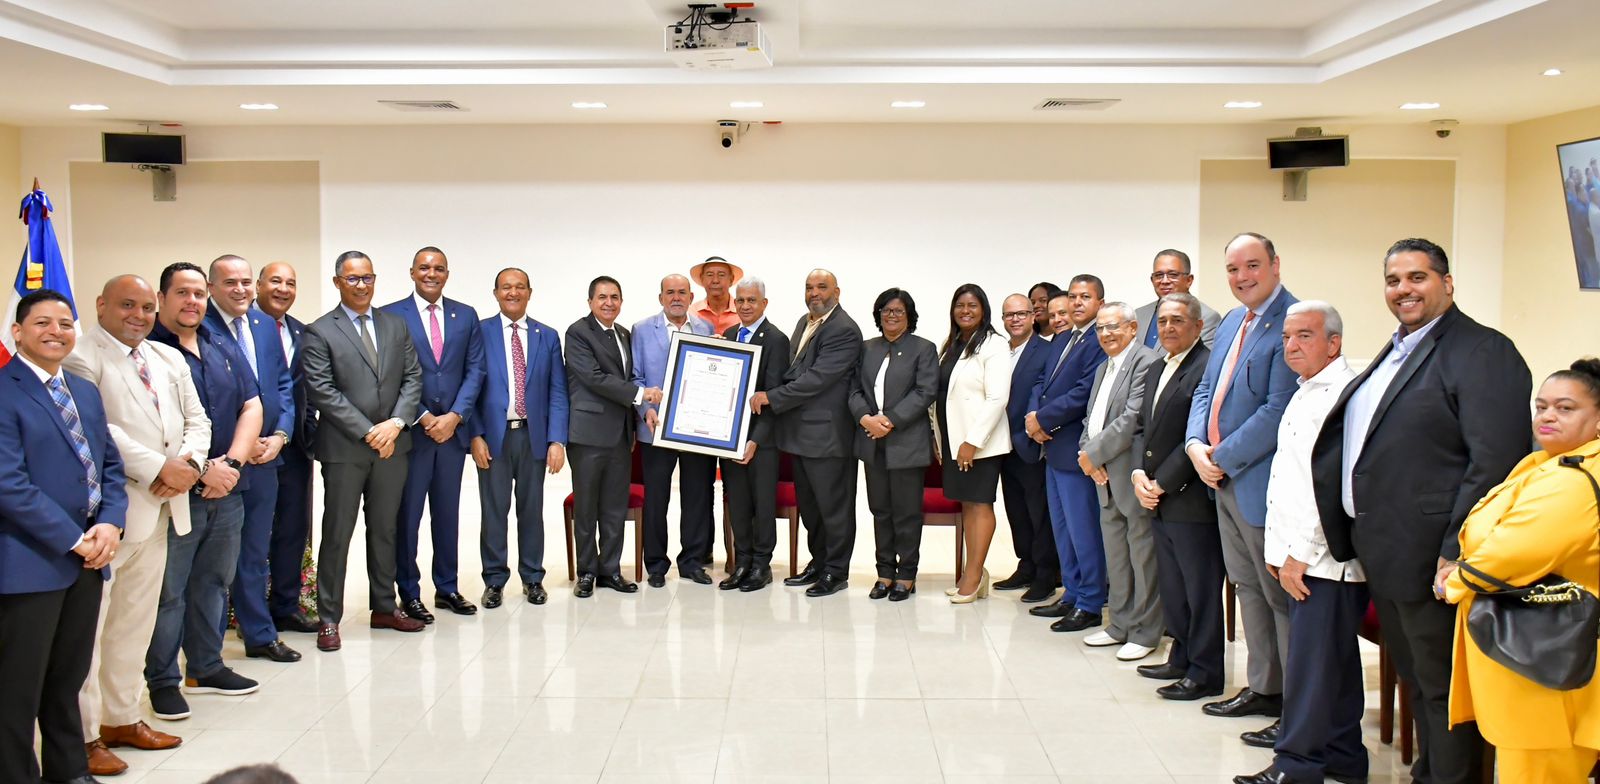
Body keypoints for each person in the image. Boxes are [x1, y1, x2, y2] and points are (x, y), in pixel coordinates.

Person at [1312, 237, 1531, 784]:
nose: (1403, 289)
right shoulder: (1398, 348)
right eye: (1393, 280)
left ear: (1447, 283)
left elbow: (1495, 462)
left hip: (1436, 556)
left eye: (1417, 277)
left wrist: (1455, 550)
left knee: (1444, 688)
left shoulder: (1482, 351)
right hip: (1386, 548)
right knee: (1419, 679)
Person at [65, 276, 206, 777]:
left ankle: (121, 718)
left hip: (163, 506)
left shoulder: (166, 356)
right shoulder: (80, 357)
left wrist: (189, 465)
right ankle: (83, 734)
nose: (139, 315)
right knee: (92, 630)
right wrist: (158, 467)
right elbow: (98, 428)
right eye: (127, 305)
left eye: (147, 307)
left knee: (135, 622)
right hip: (111, 513)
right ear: (101, 305)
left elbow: (197, 419)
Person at [1439, 358, 1600, 784]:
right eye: (1541, 406)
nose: (1548, 416)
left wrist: (1456, 579)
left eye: (1565, 408)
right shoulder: (1546, 463)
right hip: (1533, 646)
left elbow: (1515, 551)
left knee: (1539, 767)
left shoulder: (1575, 479)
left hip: (1549, 654)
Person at [0, 289, 128, 784]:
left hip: (88, 561)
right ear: (17, 332)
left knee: (67, 678)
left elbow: (109, 465)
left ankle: (70, 771)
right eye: (42, 323)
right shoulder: (6, 390)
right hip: (29, 563)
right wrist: (75, 539)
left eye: (65, 323)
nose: (56, 331)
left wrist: (110, 523)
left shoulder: (83, 390)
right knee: (17, 688)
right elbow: (9, 485)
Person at [1234, 301, 1364, 784]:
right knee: (1335, 663)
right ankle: (1345, 757)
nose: (1291, 345)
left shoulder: (1343, 396)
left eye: (1304, 336)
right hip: (1298, 553)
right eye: (1287, 337)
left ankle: (1296, 766)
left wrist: (1299, 553)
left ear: (1334, 343)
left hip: (1323, 559)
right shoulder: (1305, 389)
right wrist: (1278, 549)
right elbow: (1289, 478)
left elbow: (1330, 486)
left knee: (1310, 667)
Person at [1185, 232, 1299, 733]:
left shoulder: (1293, 321)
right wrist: (1195, 445)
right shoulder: (1233, 320)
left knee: (1278, 597)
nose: (1242, 277)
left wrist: (1222, 457)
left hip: (1258, 480)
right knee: (1247, 587)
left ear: (1275, 264)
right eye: (1233, 269)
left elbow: (1277, 409)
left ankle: (1295, 706)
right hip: (1220, 479)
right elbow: (1206, 388)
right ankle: (1263, 687)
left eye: (1252, 265)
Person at [145, 262, 264, 719]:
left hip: (228, 488)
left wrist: (231, 464)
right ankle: (162, 680)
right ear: (162, 298)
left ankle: (205, 667)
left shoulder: (220, 343)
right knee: (169, 591)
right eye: (182, 293)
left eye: (198, 293)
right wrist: (201, 473)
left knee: (214, 583)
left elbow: (251, 405)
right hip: (174, 492)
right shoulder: (149, 350)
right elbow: (148, 425)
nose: (192, 301)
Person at [300, 250, 426, 651]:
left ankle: (384, 607)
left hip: (393, 447)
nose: (361, 285)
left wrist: (396, 423)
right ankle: (328, 618)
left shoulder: (395, 325)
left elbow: (413, 378)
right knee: (338, 533)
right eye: (353, 278)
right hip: (345, 450)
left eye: (368, 277)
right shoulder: (320, 331)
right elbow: (323, 391)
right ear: (337, 282)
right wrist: (369, 431)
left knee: (386, 530)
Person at [381, 246, 486, 621]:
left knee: (447, 515)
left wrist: (455, 416)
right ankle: (409, 592)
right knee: (407, 517)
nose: (431, 274)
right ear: (412, 272)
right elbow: (390, 375)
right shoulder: (391, 315)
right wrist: (425, 417)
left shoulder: (465, 315)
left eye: (439, 268)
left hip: (452, 436)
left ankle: (447, 587)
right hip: (413, 435)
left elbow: (475, 370)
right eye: (424, 268)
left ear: (447, 274)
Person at [204, 254, 300, 664]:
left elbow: (283, 385)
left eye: (245, 282)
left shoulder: (263, 325)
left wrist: (279, 437)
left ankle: (259, 634)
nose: (240, 289)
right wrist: (240, 447)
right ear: (212, 288)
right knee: (213, 562)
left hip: (266, 459)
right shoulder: (200, 326)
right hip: (222, 462)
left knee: (255, 552)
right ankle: (205, 653)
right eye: (231, 283)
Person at [1129, 293, 1222, 701]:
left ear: (1198, 326)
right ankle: (1181, 657)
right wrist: (1138, 473)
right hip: (1156, 495)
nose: (1168, 327)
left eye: (1178, 320)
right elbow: (1141, 429)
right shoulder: (1155, 367)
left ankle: (1205, 671)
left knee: (1199, 590)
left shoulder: (1206, 368)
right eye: (1163, 321)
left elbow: (1196, 435)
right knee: (1174, 587)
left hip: (1189, 496)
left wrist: (1163, 482)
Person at [752, 269, 863, 597]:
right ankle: (819, 562)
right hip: (801, 435)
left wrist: (772, 396)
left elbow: (816, 379)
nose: (814, 293)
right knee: (811, 508)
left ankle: (836, 571)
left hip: (828, 437)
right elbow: (794, 370)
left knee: (834, 508)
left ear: (837, 292)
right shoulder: (805, 322)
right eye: (809, 287)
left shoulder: (843, 329)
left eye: (822, 287)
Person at [470, 268, 567, 608]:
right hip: (493, 438)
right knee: (493, 511)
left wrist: (557, 440)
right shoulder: (479, 332)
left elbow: (558, 392)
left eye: (520, 287)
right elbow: (470, 388)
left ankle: (532, 578)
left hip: (533, 437)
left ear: (530, 292)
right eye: (506, 287)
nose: (513, 293)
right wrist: (475, 434)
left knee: (531, 510)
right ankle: (494, 580)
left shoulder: (547, 336)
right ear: (496, 293)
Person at [1077, 301, 1163, 661]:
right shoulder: (1103, 367)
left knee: (1142, 556)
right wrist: (1087, 454)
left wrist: (1093, 454)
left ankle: (1145, 631)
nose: (1106, 334)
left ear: (1132, 328)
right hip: (1102, 474)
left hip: (1129, 471)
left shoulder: (1147, 362)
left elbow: (1132, 419)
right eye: (1100, 328)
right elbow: (1091, 418)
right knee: (1117, 556)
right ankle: (1120, 625)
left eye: (1113, 326)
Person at [566, 275, 658, 598]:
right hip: (588, 435)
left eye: (614, 297)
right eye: (602, 297)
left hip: (620, 435)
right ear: (590, 301)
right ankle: (587, 572)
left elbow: (627, 376)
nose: (609, 303)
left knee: (614, 507)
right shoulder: (578, 333)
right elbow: (593, 378)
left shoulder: (623, 333)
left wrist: (640, 413)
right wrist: (641, 394)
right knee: (587, 508)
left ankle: (610, 570)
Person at [1026, 278, 1109, 630]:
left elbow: (1084, 391)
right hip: (1051, 448)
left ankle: (1090, 601)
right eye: (1072, 296)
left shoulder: (1099, 340)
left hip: (1075, 449)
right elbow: (1040, 383)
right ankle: (1072, 593)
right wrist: (1034, 417)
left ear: (1100, 302)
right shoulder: (1062, 338)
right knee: (1063, 529)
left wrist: (1043, 419)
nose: (1076, 303)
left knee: (1083, 529)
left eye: (1084, 297)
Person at [848, 287, 938, 601]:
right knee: (880, 510)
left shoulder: (923, 348)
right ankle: (884, 572)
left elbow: (926, 391)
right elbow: (853, 389)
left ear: (909, 315)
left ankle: (907, 575)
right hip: (872, 441)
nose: (892, 316)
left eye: (898, 310)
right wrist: (865, 418)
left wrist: (890, 421)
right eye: (886, 310)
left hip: (907, 443)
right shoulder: (867, 348)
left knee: (906, 513)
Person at [632, 274, 717, 587]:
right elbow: (635, 377)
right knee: (657, 499)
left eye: (682, 292)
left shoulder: (706, 328)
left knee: (697, 496)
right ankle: (656, 564)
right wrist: (646, 409)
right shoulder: (642, 330)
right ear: (661, 298)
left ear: (691, 297)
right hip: (655, 428)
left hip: (697, 429)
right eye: (670, 293)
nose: (676, 298)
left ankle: (692, 562)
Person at [936, 284, 1013, 603]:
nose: (965, 311)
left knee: (980, 504)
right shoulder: (953, 344)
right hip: (955, 441)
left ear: (984, 310)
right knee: (967, 503)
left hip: (979, 443)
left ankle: (974, 574)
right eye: (960, 305)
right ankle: (974, 572)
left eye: (972, 305)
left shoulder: (994, 344)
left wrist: (972, 442)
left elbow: (997, 398)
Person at [254, 262, 319, 634]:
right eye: (275, 281)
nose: (283, 289)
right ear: (258, 285)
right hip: (252, 447)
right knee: (254, 534)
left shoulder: (302, 332)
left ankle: (285, 606)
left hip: (295, 448)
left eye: (290, 283)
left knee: (293, 529)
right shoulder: (242, 327)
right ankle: (250, 613)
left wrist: (308, 433)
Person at [718, 277, 790, 592]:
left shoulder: (776, 339)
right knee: (738, 503)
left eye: (751, 300)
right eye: (741, 300)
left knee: (762, 504)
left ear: (764, 303)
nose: (745, 306)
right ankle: (742, 561)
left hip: (762, 441)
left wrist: (755, 439)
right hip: (730, 438)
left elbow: (773, 396)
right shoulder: (730, 335)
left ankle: (762, 565)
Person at [996, 292, 1061, 602]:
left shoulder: (1047, 351)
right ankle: (1026, 565)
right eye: (1009, 315)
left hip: (1031, 443)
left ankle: (1046, 574)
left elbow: (1045, 393)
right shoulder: (999, 351)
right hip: (1001, 445)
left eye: (1022, 313)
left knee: (1039, 512)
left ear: (1034, 316)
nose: (1016, 319)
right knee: (1016, 511)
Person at [1133, 249, 1221, 349]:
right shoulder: (1139, 315)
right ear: (1152, 280)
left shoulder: (1205, 317)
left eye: (1173, 275)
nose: (1165, 281)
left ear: (1189, 280)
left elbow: (1202, 358)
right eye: (1159, 275)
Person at [691, 256, 744, 336]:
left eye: (721, 275)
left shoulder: (743, 312)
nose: (715, 280)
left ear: (731, 279)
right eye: (710, 275)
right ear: (702, 279)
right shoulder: (691, 313)